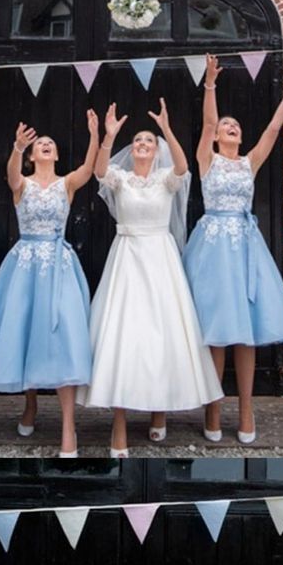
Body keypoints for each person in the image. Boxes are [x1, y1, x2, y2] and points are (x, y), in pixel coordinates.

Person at [78, 99, 222, 454]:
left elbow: (184, 166)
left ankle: (160, 411)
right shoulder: (121, 179)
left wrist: (167, 130)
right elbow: (98, 172)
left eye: (148, 141)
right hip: (126, 257)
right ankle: (119, 424)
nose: (142, 144)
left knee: (163, 334)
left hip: (160, 259)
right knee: (124, 336)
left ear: (156, 151)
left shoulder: (165, 179)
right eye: (138, 141)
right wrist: (109, 136)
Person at [183, 55, 283, 445]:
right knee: (217, 332)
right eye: (226, 126)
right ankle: (214, 407)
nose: (231, 127)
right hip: (214, 249)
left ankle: (247, 408)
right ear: (218, 137)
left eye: (235, 125)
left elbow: (273, 128)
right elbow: (206, 123)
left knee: (246, 333)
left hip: (245, 250)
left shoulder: (249, 162)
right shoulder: (207, 161)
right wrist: (210, 85)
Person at [0, 114, 99, 455]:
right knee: (27, 333)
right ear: (32, 155)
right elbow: (11, 177)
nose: (46, 145)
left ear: (56, 156)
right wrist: (16, 147)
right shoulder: (23, 184)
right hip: (25, 265)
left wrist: (96, 133)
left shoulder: (67, 183)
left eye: (51, 145)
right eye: (41, 144)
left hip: (59, 265)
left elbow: (89, 167)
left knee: (64, 337)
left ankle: (69, 427)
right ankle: (30, 404)